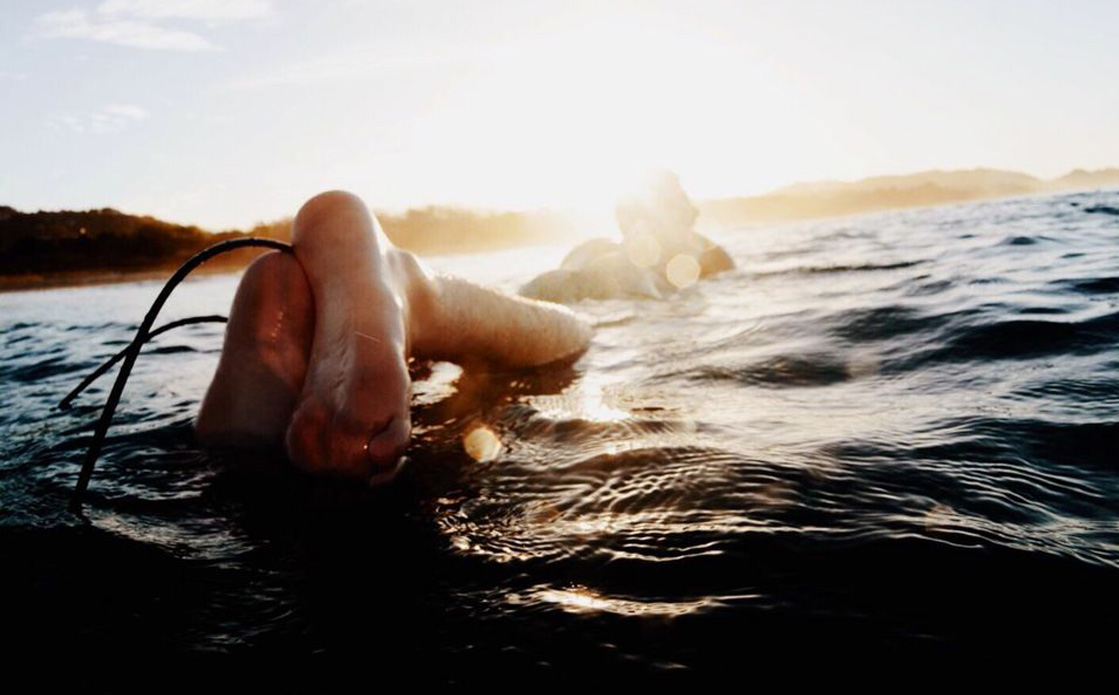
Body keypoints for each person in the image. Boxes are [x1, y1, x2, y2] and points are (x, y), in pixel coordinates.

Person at [194, 190, 595, 487]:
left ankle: (239, 447)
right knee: (581, 329)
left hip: (555, 285)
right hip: (586, 291)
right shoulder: (595, 258)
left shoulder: (580, 259)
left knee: (239, 473)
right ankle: (420, 297)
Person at [519, 170, 733, 302]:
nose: (694, 212)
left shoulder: (711, 259)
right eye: (680, 201)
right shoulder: (592, 254)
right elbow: (543, 293)